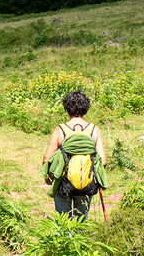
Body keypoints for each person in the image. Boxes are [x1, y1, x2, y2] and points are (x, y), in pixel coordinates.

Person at [40, 91, 107, 220]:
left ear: (66, 108)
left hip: (63, 182)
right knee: (81, 219)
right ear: (85, 108)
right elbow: (103, 160)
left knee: (63, 219)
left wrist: (48, 176)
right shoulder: (94, 130)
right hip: (86, 183)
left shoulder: (60, 130)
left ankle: (65, 239)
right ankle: (79, 238)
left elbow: (46, 158)